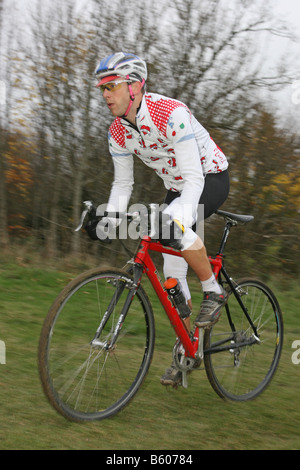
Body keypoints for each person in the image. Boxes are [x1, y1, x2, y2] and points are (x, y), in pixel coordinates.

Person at [90, 52, 230, 386]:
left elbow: (195, 180)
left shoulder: (171, 113)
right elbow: (123, 184)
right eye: (102, 88)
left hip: (208, 177)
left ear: (135, 87)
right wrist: (106, 218)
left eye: (112, 86)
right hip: (176, 186)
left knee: (175, 228)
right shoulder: (118, 132)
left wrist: (175, 218)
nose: (105, 94)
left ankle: (213, 290)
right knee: (170, 267)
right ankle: (187, 349)